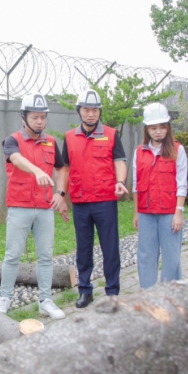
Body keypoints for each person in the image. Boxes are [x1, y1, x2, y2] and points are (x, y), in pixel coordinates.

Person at [0, 93, 68, 319]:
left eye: (43, 117)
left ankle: (45, 301)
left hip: (45, 207)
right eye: (35, 117)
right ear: (24, 117)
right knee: (12, 255)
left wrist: (61, 193)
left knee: (46, 255)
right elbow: (16, 159)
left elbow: (61, 168)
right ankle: (5, 298)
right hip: (20, 206)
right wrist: (37, 171)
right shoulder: (12, 140)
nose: (39, 121)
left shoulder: (51, 142)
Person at [62, 89, 128, 308]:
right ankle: (85, 290)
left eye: (95, 110)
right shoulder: (69, 137)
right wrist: (62, 196)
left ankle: (112, 292)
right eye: (86, 110)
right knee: (83, 249)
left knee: (110, 248)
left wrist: (120, 181)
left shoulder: (111, 134)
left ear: (99, 112)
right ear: (79, 111)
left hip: (105, 200)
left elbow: (119, 161)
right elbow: (65, 169)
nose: (90, 114)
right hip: (80, 202)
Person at [132, 103, 188, 289]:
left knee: (171, 256)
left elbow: (182, 184)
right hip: (146, 212)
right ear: (147, 129)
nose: (158, 132)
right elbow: (136, 185)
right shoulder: (139, 152)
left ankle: (171, 293)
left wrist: (178, 213)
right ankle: (148, 294)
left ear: (168, 128)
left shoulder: (177, 150)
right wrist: (136, 213)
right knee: (146, 255)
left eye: (162, 127)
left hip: (169, 212)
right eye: (153, 128)